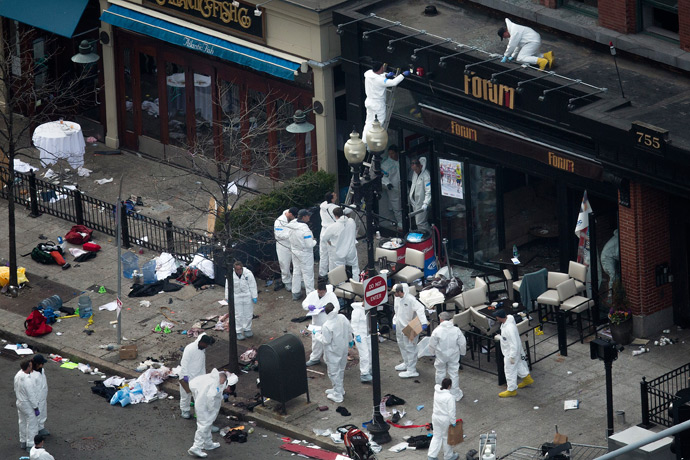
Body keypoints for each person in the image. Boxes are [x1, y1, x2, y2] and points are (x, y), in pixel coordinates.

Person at [187, 369, 237, 458]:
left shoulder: (215, 377)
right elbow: (211, 396)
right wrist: (211, 409)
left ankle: (208, 443)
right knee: (204, 425)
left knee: (207, 424)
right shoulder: (216, 385)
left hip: (201, 398)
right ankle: (196, 447)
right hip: (204, 404)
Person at [363, 62, 409, 142]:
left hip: (369, 102)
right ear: (380, 68)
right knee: (379, 124)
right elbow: (393, 82)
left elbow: (377, 77)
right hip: (378, 104)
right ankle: (374, 142)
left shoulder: (368, 73)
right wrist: (403, 75)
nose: (384, 69)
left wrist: (385, 76)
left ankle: (364, 141)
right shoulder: (379, 80)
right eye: (383, 68)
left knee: (369, 122)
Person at [316, 302, 353, 403]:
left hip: (333, 352)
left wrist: (316, 335)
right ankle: (339, 389)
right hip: (343, 348)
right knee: (340, 370)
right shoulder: (342, 317)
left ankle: (337, 394)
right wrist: (350, 340)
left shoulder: (327, 325)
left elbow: (326, 341)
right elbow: (349, 330)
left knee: (333, 372)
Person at [392, 283, 428, 378]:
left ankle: (412, 369)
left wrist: (423, 322)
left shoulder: (411, 299)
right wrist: (395, 321)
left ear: (401, 292)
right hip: (400, 325)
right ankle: (407, 363)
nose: (394, 294)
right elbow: (397, 311)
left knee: (410, 348)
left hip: (411, 326)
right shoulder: (397, 299)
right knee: (402, 344)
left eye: (396, 292)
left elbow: (420, 308)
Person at [494, 309, 533, 397]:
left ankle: (511, 390)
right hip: (515, 351)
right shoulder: (509, 321)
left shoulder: (508, 328)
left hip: (510, 353)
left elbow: (513, 343)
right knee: (518, 364)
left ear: (499, 318)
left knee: (509, 371)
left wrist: (511, 356)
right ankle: (527, 379)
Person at [429, 312, 466, 401]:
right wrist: (462, 353)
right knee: (454, 373)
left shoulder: (437, 331)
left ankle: (440, 391)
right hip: (453, 354)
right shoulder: (456, 330)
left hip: (441, 354)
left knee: (440, 372)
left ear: (441, 319)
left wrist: (432, 353)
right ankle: (455, 393)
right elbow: (462, 343)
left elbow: (432, 344)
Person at [179, 333, 216, 419]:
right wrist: (185, 377)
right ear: (201, 342)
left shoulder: (202, 349)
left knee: (199, 396)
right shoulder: (190, 348)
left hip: (198, 377)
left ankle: (199, 412)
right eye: (206, 344)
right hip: (187, 376)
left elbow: (201, 364)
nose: (207, 346)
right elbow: (184, 364)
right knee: (186, 394)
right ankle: (185, 410)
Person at [303, 282, 339, 366]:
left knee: (328, 342)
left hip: (328, 322)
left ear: (325, 290)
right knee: (316, 340)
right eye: (319, 292)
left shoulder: (331, 295)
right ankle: (315, 358)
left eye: (323, 293)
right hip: (316, 322)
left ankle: (329, 361)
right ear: (317, 290)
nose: (321, 294)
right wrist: (308, 306)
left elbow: (337, 307)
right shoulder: (313, 294)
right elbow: (304, 303)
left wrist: (326, 309)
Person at [288, 209, 316, 301]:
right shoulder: (305, 230)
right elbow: (309, 244)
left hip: (295, 251)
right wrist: (315, 241)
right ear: (303, 217)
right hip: (305, 253)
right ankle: (311, 296)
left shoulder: (292, 225)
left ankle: (295, 292)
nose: (309, 217)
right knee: (308, 274)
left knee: (297, 272)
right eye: (308, 216)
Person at [427, 378, 459, 460]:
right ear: (449, 386)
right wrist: (453, 422)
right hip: (445, 419)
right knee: (446, 437)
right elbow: (451, 411)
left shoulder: (436, 392)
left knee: (436, 436)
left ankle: (431, 455)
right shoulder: (449, 397)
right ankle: (448, 456)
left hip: (435, 417)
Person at [226, 260, 258, 340]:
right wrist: (228, 297)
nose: (239, 271)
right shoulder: (231, 275)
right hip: (236, 296)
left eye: (240, 269)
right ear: (234, 269)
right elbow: (227, 287)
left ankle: (247, 329)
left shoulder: (248, 274)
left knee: (248, 314)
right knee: (238, 315)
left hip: (247, 295)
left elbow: (253, 285)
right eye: (237, 269)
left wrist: (254, 296)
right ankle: (238, 331)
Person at [15, 359, 39, 451]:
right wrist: (35, 407)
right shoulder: (27, 380)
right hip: (27, 404)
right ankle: (30, 444)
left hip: (19, 402)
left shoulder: (18, 375)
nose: (31, 366)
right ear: (28, 367)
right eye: (30, 365)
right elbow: (31, 395)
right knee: (32, 424)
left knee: (22, 422)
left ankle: (23, 441)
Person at [331, 207, 360, 280]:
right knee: (354, 267)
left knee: (339, 269)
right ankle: (357, 283)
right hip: (351, 250)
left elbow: (325, 238)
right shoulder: (351, 221)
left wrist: (332, 243)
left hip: (340, 251)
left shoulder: (333, 226)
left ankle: (342, 286)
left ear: (335, 216)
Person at [274, 207, 298, 292]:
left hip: (293, 244)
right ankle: (287, 282)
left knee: (297, 263)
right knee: (284, 263)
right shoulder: (279, 221)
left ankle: (298, 281)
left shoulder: (292, 219)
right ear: (290, 214)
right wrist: (291, 235)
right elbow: (279, 234)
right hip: (283, 245)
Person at [381, 145, 402, 230]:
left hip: (403, 187)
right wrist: (387, 183)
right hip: (393, 189)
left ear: (396, 153)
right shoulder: (386, 164)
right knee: (396, 208)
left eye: (392, 153)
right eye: (389, 153)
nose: (391, 155)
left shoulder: (404, 159)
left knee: (407, 204)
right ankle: (401, 225)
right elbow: (382, 176)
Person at [350, 302, 372, 383]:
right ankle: (364, 373)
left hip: (368, 333)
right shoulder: (357, 311)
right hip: (361, 335)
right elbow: (353, 325)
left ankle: (369, 368)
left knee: (371, 351)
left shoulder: (369, 309)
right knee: (364, 354)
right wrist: (356, 335)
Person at [409, 157, 432, 232]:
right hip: (415, 203)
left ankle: (429, 237)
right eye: (413, 169)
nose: (414, 171)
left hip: (422, 204)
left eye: (416, 169)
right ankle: (424, 235)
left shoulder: (426, 176)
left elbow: (428, 191)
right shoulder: (415, 173)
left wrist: (425, 203)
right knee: (418, 222)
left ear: (421, 166)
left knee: (421, 223)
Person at [319, 192, 339, 277]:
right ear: (332, 199)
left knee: (323, 255)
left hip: (323, 232)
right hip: (331, 233)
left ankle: (322, 275)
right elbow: (343, 212)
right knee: (332, 257)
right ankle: (332, 277)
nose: (336, 195)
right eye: (334, 195)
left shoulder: (322, 206)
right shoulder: (335, 208)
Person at [31, 355, 49, 436]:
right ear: (37, 364)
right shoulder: (31, 374)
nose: (42, 365)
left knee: (43, 412)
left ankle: (41, 427)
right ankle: (35, 431)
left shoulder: (42, 370)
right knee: (35, 416)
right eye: (41, 363)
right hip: (36, 398)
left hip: (43, 396)